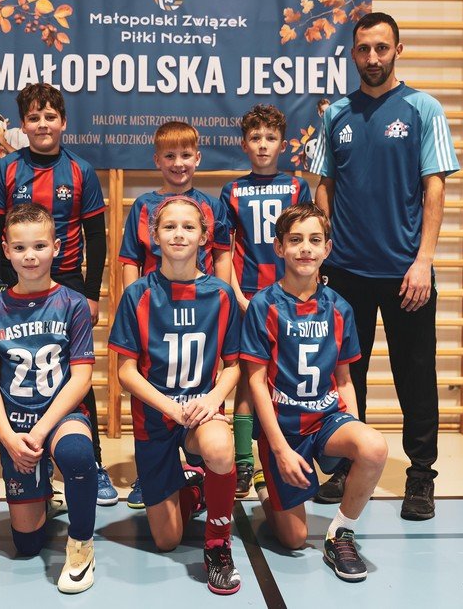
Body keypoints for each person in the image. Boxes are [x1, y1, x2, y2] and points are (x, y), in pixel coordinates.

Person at [309, 12, 460, 520]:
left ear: (398, 49)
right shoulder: (335, 114)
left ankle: (421, 476)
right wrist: (325, 252)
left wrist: (424, 261)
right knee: (346, 375)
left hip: (405, 274)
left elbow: (435, 189)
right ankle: (347, 465)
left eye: (381, 47)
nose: (372, 57)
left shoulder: (424, 108)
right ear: (353, 53)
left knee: (414, 375)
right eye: (363, 49)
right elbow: (324, 186)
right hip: (345, 272)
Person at [0, 83, 117, 505]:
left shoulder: (80, 171)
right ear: (22, 125)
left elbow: (96, 236)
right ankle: (25, 453)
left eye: (50, 117)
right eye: (34, 117)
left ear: (63, 122)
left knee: (77, 374)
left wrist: (92, 293)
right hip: (15, 282)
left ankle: (91, 463)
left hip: (68, 283)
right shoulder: (5, 170)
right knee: (15, 366)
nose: (43, 124)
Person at [241, 203, 388, 582]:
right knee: (293, 539)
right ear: (279, 247)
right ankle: (266, 485)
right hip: (284, 430)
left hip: (326, 421)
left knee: (373, 447)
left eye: (314, 240)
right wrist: (279, 450)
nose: (305, 248)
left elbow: (344, 380)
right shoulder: (263, 306)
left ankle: (341, 534)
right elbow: (256, 382)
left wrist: (354, 432)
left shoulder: (339, 308)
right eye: (295, 240)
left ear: (327, 248)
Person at [109, 196, 243, 596]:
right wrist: (171, 406)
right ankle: (195, 488)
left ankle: (218, 546)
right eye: (169, 227)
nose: (179, 234)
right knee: (166, 540)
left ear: (204, 237)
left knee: (220, 448)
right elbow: (125, 372)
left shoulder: (221, 295)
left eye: (189, 227)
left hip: (200, 412)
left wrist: (212, 400)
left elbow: (234, 365)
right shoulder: (137, 295)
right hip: (154, 416)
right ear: (155, 236)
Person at [0, 203, 99, 594]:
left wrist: (43, 430)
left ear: (56, 247)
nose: (30, 256)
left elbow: (82, 377)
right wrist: (8, 437)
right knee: (27, 545)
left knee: (77, 455)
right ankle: (43, 493)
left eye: (39, 246)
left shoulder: (73, 304)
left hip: (60, 417)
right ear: (6, 251)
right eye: (20, 247)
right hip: (16, 424)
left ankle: (81, 545)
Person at [118, 120, 232, 509]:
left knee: (212, 432)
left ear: (198, 158)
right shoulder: (143, 207)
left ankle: (204, 469)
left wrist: (218, 301)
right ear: (157, 160)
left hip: (198, 306)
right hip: (156, 310)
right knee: (164, 537)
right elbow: (130, 261)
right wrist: (132, 303)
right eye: (170, 155)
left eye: (186, 155)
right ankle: (162, 477)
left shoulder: (212, 206)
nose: (178, 163)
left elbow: (222, 257)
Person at [219, 104, 312, 498]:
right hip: (247, 298)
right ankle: (244, 463)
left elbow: (306, 244)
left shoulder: (297, 187)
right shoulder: (232, 191)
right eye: (255, 138)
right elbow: (224, 251)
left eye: (270, 138)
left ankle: (275, 459)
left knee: (282, 379)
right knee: (246, 379)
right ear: (244, 144)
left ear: (282, 145)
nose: (262, 145)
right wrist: (237, 296)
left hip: (287, 299)